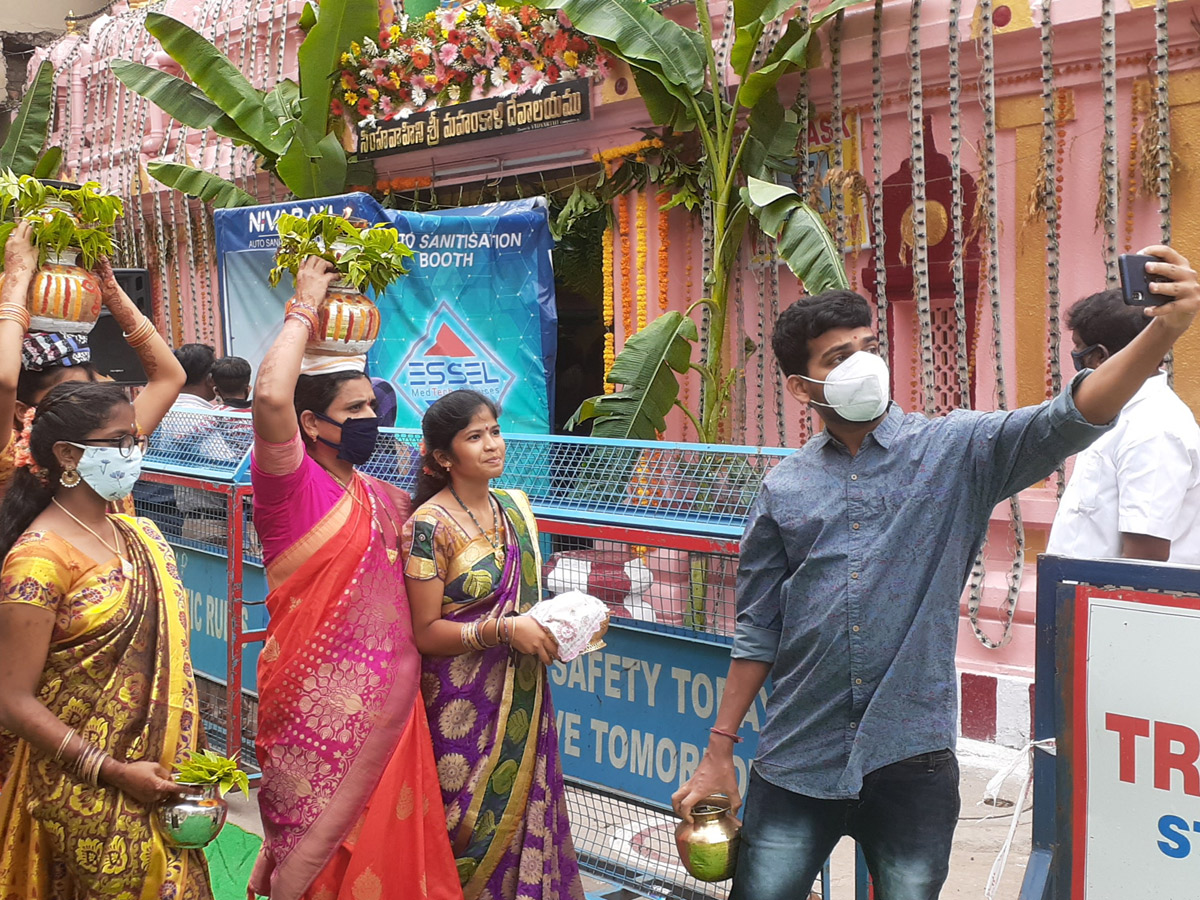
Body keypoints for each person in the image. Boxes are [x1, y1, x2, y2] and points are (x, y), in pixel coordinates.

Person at [671, 246, 1200, 900]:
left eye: (867, 347)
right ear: (801, 388)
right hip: (796, 758)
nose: (862, 365)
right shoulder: (784, 490)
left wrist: (1164, 330)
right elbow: (758, 631)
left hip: (912, 759)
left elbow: (1072, 415)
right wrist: (720, 748)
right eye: (838, 358)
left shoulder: (958, 452)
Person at [248, 257, 461, 900]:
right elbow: (269, 396)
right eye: (357, 406)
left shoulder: (386, 499)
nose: (372, 415)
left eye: (373, 402)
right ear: (311, 423)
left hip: (391, 721)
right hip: (309, 720)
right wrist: (304, 307)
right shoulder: (289, 486)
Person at [0, 381, 211, 898]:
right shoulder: (38, 560)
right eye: (119, 442)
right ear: (68, 454)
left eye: (136, 441)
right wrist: (111, 771)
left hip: (160, 778)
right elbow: (10, 700)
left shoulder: (138, 534)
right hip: (78, 787)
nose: (134, 453)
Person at [402, 388, 584, 900]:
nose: (492, 445)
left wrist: (563, 624)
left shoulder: (514, 508)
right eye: (474, 436)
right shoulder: (427, 527)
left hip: (522, 695)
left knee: (529, 808)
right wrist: (504, 630)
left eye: (496, 432)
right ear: (443, 457)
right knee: (463, 823)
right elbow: (425, 633)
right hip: (458, 708)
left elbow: (526, 600)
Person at [0, 223, 186, 503]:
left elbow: (170, 378)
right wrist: (17, 276)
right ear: (21, 412)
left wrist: (112, 291)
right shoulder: (11, 454)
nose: (91, 403)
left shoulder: (110, 440)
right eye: (71, 395)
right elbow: (4, 380)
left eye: (93, 390)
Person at [1047, 288, 1200, 564]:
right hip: (1080, 598)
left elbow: (1144, 557)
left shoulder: (1153, 427)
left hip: (1110, 604)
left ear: (1100, 358)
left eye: (1079, 353)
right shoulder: (1115, 415)